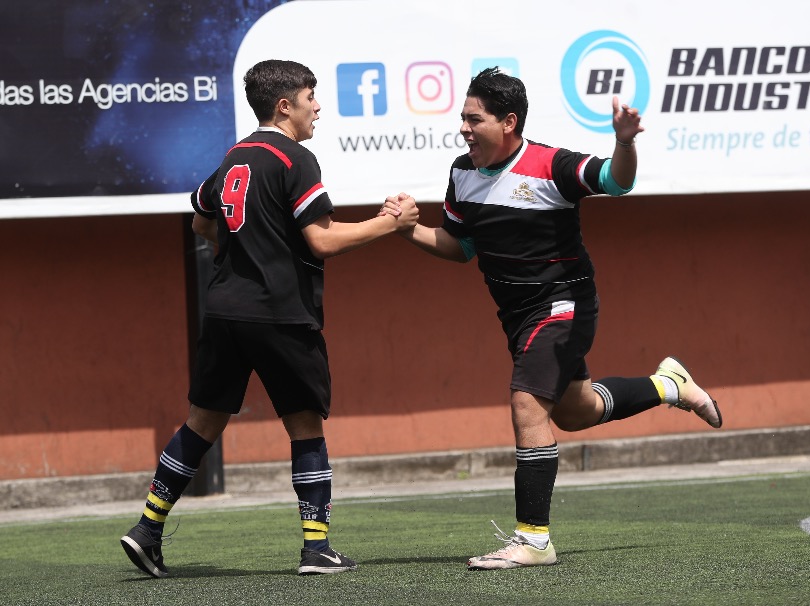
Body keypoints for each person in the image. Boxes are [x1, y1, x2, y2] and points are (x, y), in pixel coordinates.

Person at [386, 67, 721, 570]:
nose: (464, 129)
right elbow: (461, 249)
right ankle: (669, 385)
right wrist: (405, 229)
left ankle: (534, 540)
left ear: (509, 122)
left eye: (474, 120)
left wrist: (624, 143)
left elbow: (617, 181)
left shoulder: (551, 165)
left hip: (565, 304)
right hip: (517, 316)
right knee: (574, 411)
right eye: (462, 119)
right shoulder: (462, 172)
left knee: (528, 401)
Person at [120, 59, 418, 578]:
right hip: (280, 314)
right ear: (285, 106)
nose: (318, 106)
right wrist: (389, 223)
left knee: (201, 423)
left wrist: (243, 251)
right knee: (304, 425)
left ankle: (147, 529)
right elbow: (321, 240)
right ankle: (316, 549)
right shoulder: (295, 158)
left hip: (224, 311)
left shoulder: (234, 155)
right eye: (311, 96)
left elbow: (201, 222)